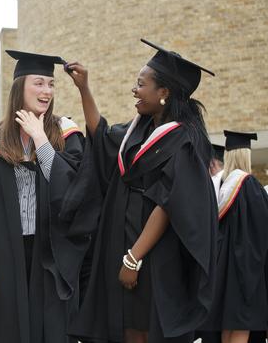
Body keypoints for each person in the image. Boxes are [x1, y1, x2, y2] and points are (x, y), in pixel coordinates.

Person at [66, 39, 218, 343]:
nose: (134, 90)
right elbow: (102, 137)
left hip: (153, 252)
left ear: (164, 92)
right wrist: (84, 88)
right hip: (122, 239)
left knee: (145, 326)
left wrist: (133, 258)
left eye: (141, 83)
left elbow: (169, 202)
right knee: (125, 325)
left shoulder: (184, 140)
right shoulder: (140, 130)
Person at [0, 50, 90, 343]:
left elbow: (71, 192)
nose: (46, 91)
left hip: (53, 256)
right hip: (5, 255)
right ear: (20, 87)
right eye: (38, 83)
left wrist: (41, 138)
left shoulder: (66, 134)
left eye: (51, 84)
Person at [199, 130, 268, 343]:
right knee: (240, 328)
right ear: (245, 155)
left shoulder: (219, 189)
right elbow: (261, 230)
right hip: (244, 272)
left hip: (221, 272)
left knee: (226, 330)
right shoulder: (250, 186)